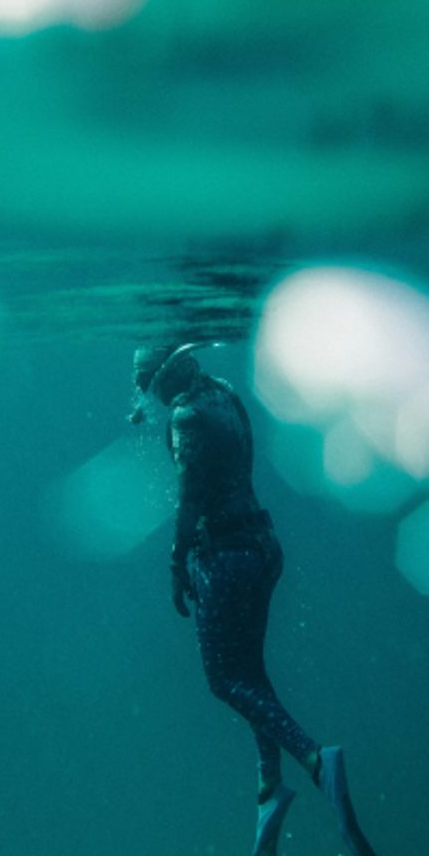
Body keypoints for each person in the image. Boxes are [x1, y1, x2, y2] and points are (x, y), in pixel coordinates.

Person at [131, 343, 322, 803]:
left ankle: (312, 755)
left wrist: (178, 563)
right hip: (261, 548)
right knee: (250, 671)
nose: (149, 398)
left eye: (147, 385)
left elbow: (190, 497)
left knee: (222, 679)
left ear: (165, 377)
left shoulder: (186, 417)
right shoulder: (224, 393)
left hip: (225, 558)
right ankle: (269, 770)